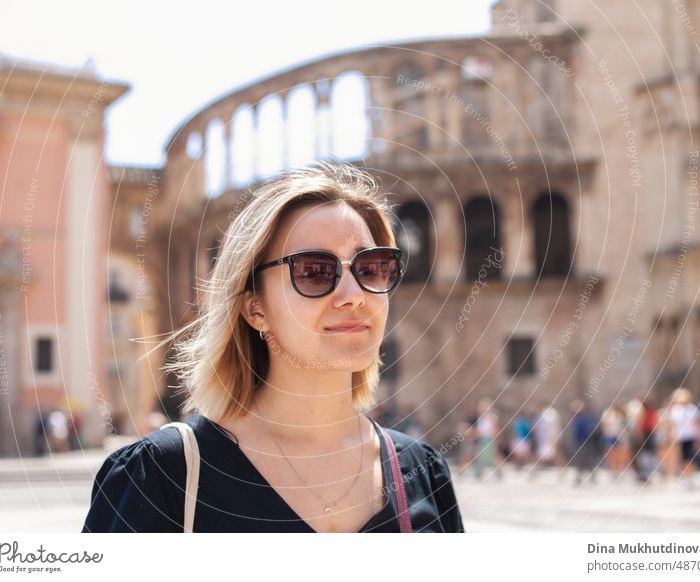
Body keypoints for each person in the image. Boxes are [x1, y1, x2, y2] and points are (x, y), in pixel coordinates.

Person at [82, 163, 464, 533]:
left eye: (371, 268)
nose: (354, 296)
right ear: (254, 308)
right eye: (314, 271)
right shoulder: (162, 477)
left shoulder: (422, 473)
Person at [668, 387, 700, 488]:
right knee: (680, 458)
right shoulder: (675, 409)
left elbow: (696, 424)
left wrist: (697, 438)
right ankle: (683, 476)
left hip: (689, 437)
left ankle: (689, 477)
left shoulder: (692, 409)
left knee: (689, 458)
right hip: (679, 438)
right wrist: (672, 437)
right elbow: (672, 425)